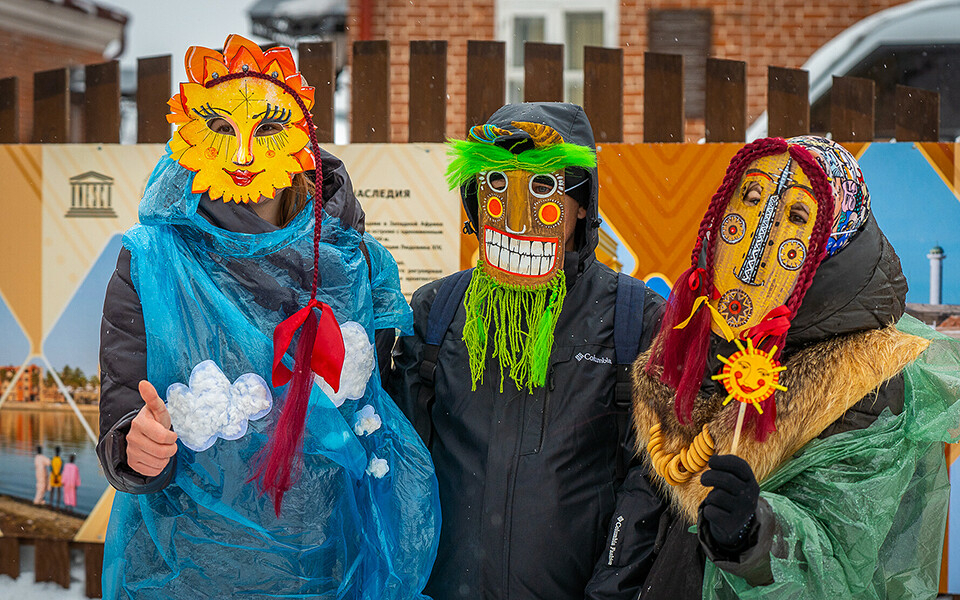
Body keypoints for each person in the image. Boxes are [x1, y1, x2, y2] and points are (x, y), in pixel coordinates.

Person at [96, 35, 439, 599]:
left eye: (267, 129)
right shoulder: (155, 260)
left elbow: (378, 413)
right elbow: (123, 407)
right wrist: (134, 448)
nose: (241, 154)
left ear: (301, 141)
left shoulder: (351, 259)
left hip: (325, 567)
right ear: (190, 136)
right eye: (221, 129)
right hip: (187, 571)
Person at [629, 136, 960, 598]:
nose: (761, 234)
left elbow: (843, 560)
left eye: (799, 216)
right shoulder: (695, 329)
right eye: (753, 197)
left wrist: (753, 535)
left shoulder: (866, 380)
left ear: (832, 242)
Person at [387, 102, 666, 599]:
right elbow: (401, 459)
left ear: (582, 204)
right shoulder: (438, 311)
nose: (517, 219)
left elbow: (649, 485)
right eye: (496, 185)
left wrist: (608, 592)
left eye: (543, 188)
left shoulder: (633, 319)